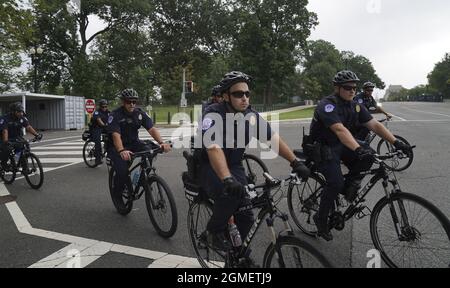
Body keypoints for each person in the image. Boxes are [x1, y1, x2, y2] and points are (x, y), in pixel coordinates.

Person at [200, 71, 310, 260]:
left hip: (234, 164)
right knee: (229, 196)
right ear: (225, 96)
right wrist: (227, 179)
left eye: (247, 94)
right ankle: (211, 232)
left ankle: (236, 255)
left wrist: (295, 161)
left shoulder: (250, 116)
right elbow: (213, 148)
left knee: (246, 215)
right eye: (238, 94)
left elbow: (272, 138)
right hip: (211, 165)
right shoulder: (213, 114)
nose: (244, 98)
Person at [307, 71, 412, 241]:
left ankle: (348, 188)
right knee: (335, 182)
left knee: (370, 156)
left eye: (354, 88)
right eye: (347, 87)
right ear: (337, 88)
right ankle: (320, 218)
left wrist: (396, 143)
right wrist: (357, 149)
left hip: (341, 145)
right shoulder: (327, 105)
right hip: (324, 147)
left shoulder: (354, 105)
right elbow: (340, 130)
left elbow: (374, 125)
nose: (352, 91)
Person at [107, 89, 171, 202]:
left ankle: (142, 179)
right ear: (123, 102)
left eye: (134, 101)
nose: (132, 104)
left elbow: (152, 129)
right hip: (117, 146)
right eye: (128, 101)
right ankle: (117, 195)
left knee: (148, 151)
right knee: (122, 171)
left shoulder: (139, 113)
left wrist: (162, 143)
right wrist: (121, 150)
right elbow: (116, 136)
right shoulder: (115, 115)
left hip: (133, 143)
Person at [0, 102, 43, 169]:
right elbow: (5, 131)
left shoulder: (21, 118)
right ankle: (4, 164)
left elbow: (28, 127)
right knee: (7, 149)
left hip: (17, 138)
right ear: (13, 112)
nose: (21, 113)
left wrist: (36, 135)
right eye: (19, 111)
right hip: (4, 138)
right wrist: (6, 141)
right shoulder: (5, 118)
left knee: (25, 147)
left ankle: (24, 167)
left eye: (22, 111)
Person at [90, 99, 110, 165]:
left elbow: (112, 119)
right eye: (103, 107)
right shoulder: (97, 112)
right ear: (100, 106)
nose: (104, 108)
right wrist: (104, 125)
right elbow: (99, 121)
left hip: (105, 128)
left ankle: (109, 152)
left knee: (111, 139)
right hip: (96, 128)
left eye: (105, 106)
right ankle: (97, 159)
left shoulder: (108, 112)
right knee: (98, 142)